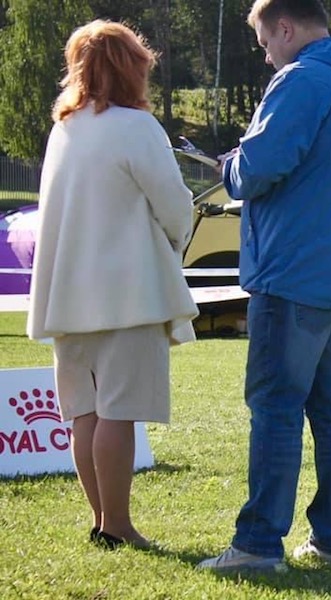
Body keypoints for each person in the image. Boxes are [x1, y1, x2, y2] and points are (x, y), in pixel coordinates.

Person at [197, 0, 331, 573]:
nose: (264, 56)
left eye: (263, 43)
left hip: (294, 273)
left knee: (276, 409)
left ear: (284, 28)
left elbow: (257, 169)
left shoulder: (302, 81)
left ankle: (257, 545)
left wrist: (230, 164)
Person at [26, 20, 198, 549]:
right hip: (128, 296)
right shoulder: (138, 127)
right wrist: (177, 238)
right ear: (133, 69)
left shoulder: (64, 129)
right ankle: (119, 525)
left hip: (66, 295)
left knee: (85, 411)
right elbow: (175, 208)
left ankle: (103, 520)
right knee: (119, 413)